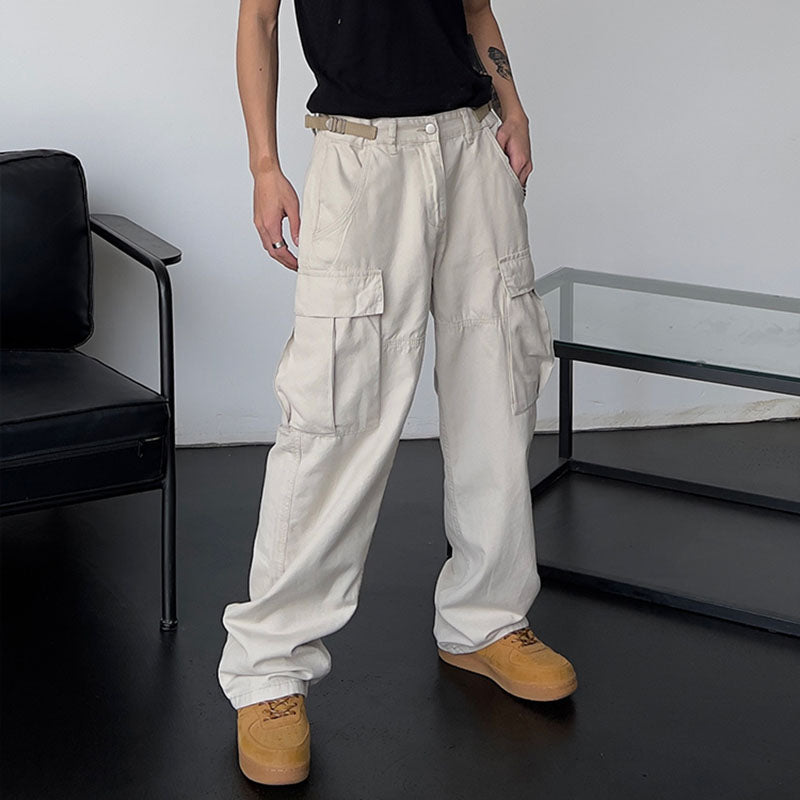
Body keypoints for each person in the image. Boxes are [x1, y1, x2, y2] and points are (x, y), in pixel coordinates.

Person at [218, 0, 577, 785]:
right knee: (333, 415)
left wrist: (513, 107)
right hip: (361, 155)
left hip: (471, 144)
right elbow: (259, 19)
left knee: (500, 390)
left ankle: (486, 618)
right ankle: (270, 667)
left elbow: (474, 6)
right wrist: (263, 166)